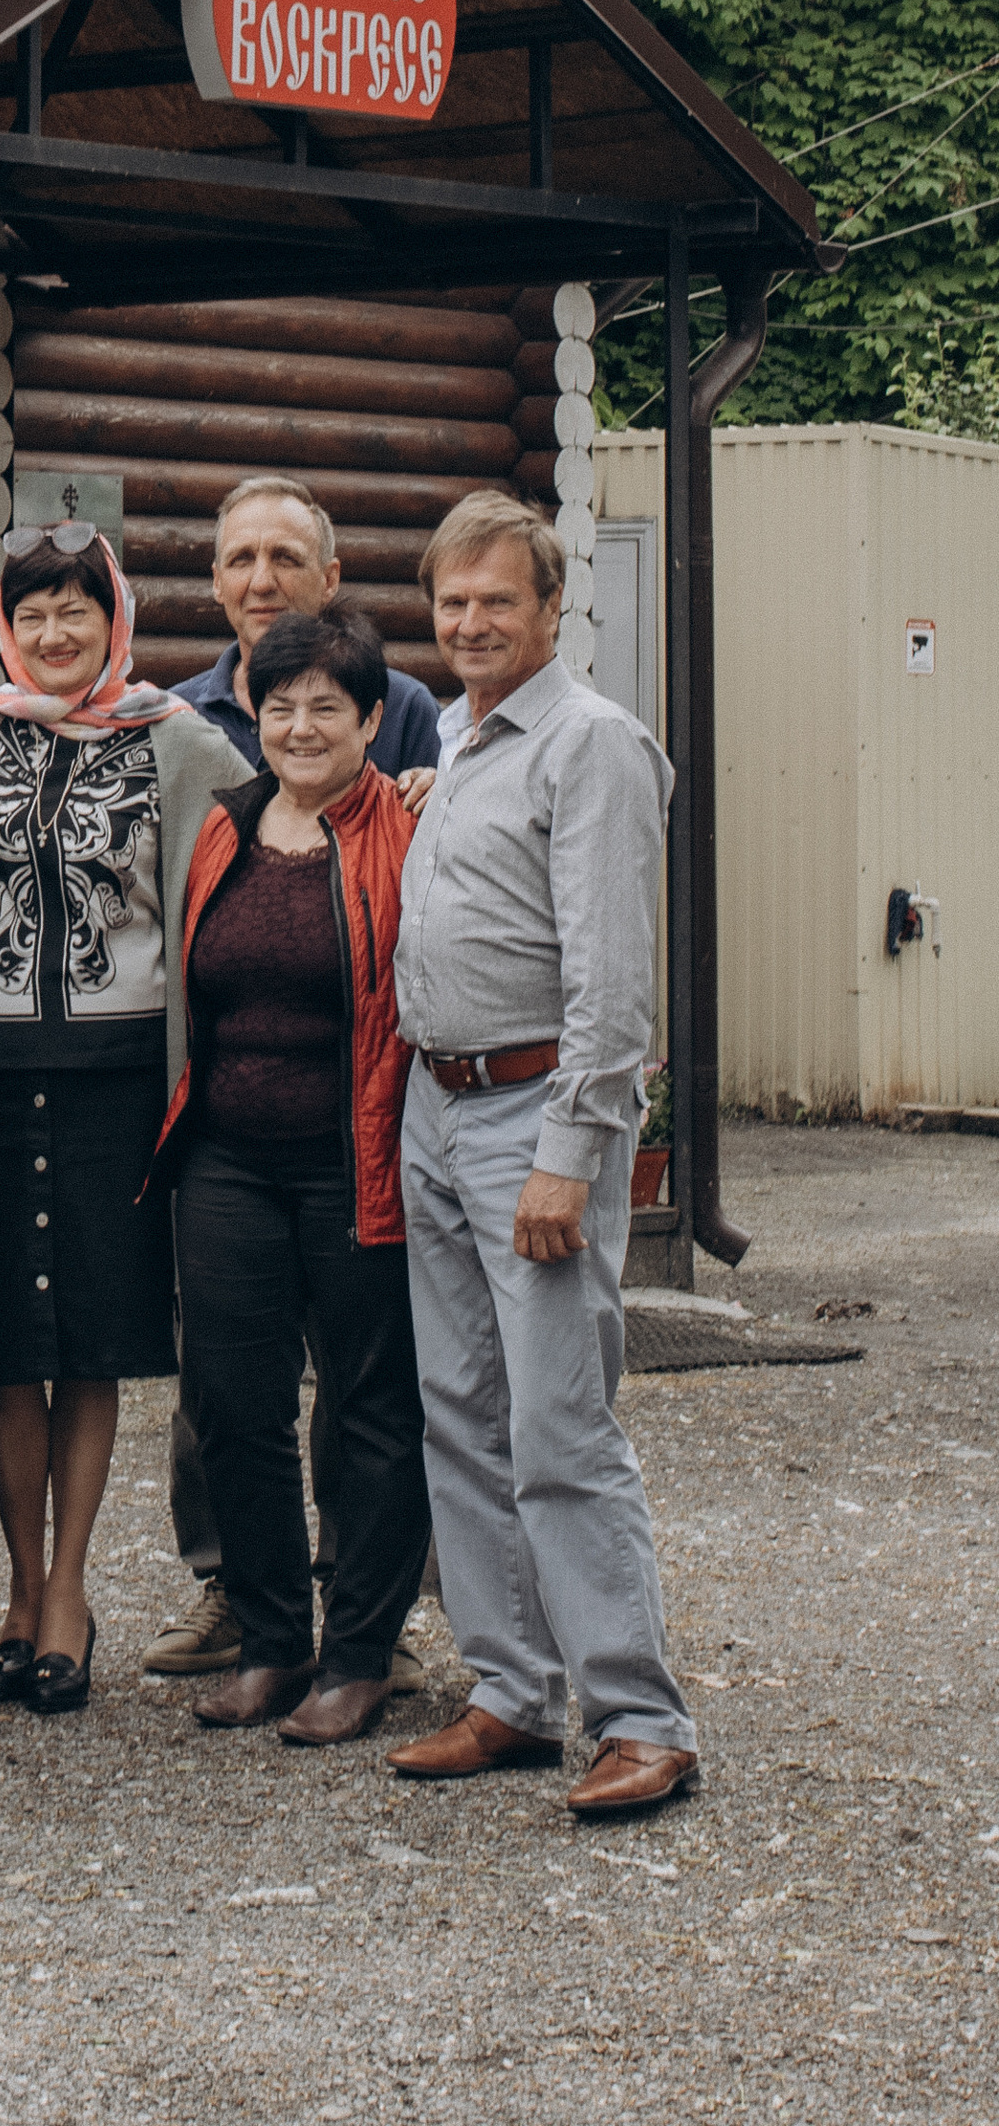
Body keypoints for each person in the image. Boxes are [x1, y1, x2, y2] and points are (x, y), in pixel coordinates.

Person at [389, 489, 697, 1817]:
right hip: (436, 1109)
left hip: (533, 1116)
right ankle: (511, 1691)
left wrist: (573, 1150)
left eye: (497, 601)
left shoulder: (593, 745)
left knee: (562, 1422)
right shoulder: (462, 742)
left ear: (553, 609)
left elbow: (617, 982)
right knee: (461, 1414)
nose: (471, 622)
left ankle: (640, 1716)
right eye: (452, 602)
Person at [0, 524, 244, 1714]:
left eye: (77, 608)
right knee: (5, 1338)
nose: (57, 633)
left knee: (93, 1335)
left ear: (112, 615)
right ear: (5, 625)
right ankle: (17, 1587)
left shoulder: (176, 741)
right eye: (35, 612)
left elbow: (276, 830)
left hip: (121, 1071)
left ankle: (67, 1589)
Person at [148, 473, 442, 1683]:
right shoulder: (190, 750)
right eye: (237, 560)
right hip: (223, 1146)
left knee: (372, 1399)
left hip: (354, 1140)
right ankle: (254, 1614)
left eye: (283, 558)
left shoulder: (414, 733)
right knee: (229, 1393)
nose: (257, 580)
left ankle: (369, 1633)